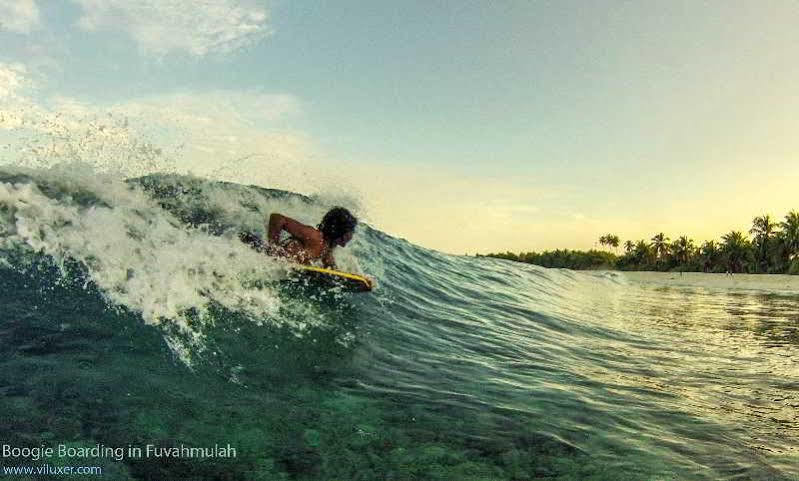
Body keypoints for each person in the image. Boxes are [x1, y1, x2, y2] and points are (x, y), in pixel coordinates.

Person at [259, 207, 357, 269]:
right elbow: (277, 218)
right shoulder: (314, 236)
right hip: (262, 252)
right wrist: (273, 247)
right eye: (343, 239)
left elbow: (331, 268)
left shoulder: (327, 248)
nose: (343, 245)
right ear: (337, 231)